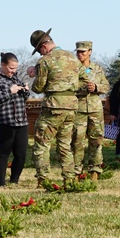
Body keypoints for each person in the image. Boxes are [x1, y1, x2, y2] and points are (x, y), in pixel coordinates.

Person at [27, 28, 82, 186]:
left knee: (42, 143)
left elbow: (38, 87)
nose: (40, 54)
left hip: (53, 108)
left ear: (43, 46)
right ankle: (69, 179)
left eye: (39, 51)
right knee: (65, 144)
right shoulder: (73, 58)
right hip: (71, 107)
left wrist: (35, 73)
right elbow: (83, 80)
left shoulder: (45, 61)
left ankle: (43, 179)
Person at [0, 52, 30, 186]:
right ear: (3, 65)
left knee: (21, 154)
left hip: (21, 122)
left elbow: (23, 98)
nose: (13, 71)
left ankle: (14, 180)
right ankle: (1, 183)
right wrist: (9, 91)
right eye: (11, 68)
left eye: (15, 68)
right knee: (3, 153)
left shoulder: (16, 79)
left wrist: (25, 91)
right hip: (3, 122)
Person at [71, 41, 110, 178]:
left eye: (83, 52)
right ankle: (76, 172)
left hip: (95, 109)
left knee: (96, 140)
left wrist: (97, 88)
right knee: (77, 141)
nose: (80, 54)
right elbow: (67, 87)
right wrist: (81, 88)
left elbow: (106, 86)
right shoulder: (72, 69)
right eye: (78, 52)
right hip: (78, 109)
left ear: (90, 52)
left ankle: (95, 171)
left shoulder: (97, 69)